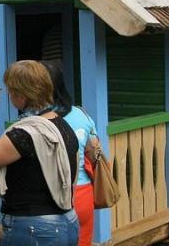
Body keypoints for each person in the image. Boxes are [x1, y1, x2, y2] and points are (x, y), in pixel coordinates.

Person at [0, 60, 79, 246]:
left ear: (21, 97)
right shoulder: (63, 127)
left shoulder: (25, 135)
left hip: (34, 229)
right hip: (67, 221)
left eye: (11, 90)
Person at [42, 60, 97, 246]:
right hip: (83, 193)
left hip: (49, 197)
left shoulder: (33, 121)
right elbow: (95, 151)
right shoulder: (82, 114)